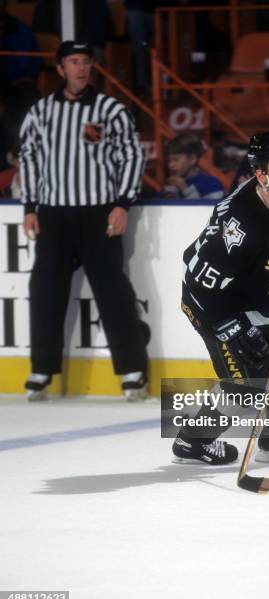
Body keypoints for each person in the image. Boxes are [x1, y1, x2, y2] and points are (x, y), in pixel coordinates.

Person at [172, 129, 269, 465]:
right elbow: (198, 282)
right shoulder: (239, 225)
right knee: (248, 385)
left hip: (260, 293)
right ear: (261, 175)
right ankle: (192, 442)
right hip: (213, 303)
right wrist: (229, 325)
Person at [19, 40, 148, 401]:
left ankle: (132, 370)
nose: (81, 68)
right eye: (73, 62)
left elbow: (132, 157)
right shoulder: (41, 111)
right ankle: (42, 369)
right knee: (45, 292)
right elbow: (29, 158)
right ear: (60, 69)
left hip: (98, 212)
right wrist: (30, 206)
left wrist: (122, 203)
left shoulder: (110, 109)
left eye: (86, 62)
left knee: (113, 292)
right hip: (53, 214)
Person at [162, 133, 224, 199]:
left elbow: (209, 209)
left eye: (176, 160)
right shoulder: (169, 185)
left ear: (192, 159)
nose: (170, 165)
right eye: (169, 160)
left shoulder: (211, 184)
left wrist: (185, 189)